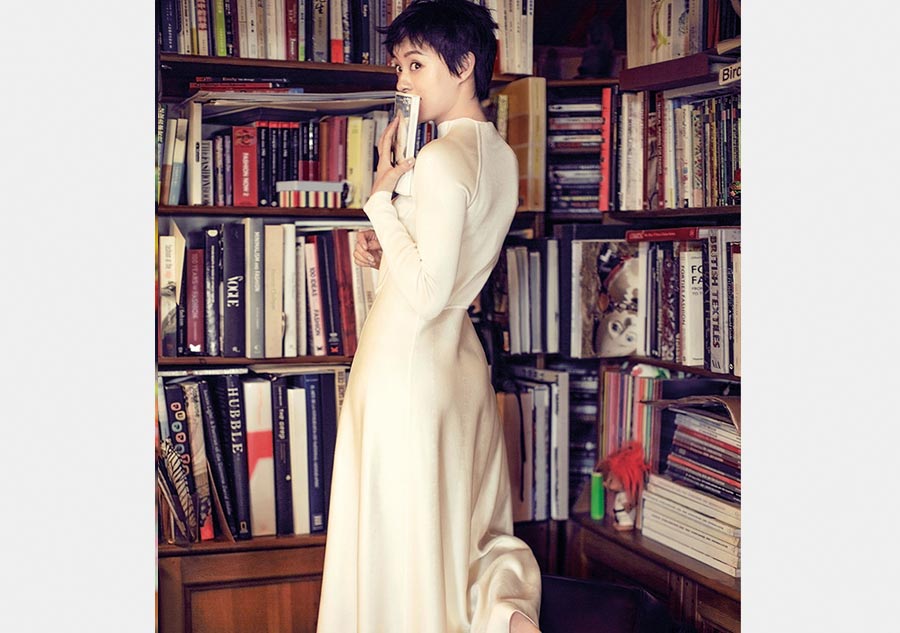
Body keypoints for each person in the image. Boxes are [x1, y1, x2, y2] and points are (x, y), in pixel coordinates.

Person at [315, 1, 543, 632]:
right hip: (457, 366)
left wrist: (380, 200)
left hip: (406, 368)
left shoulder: (440, 160)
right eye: (399, 66)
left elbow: (424, 293)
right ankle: (500, 616)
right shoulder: (500, 157)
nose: (403, 82)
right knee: (453, 535)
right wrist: (385, 243)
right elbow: (445, 270)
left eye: (416, 64)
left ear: (465, 64)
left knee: (399, 548)